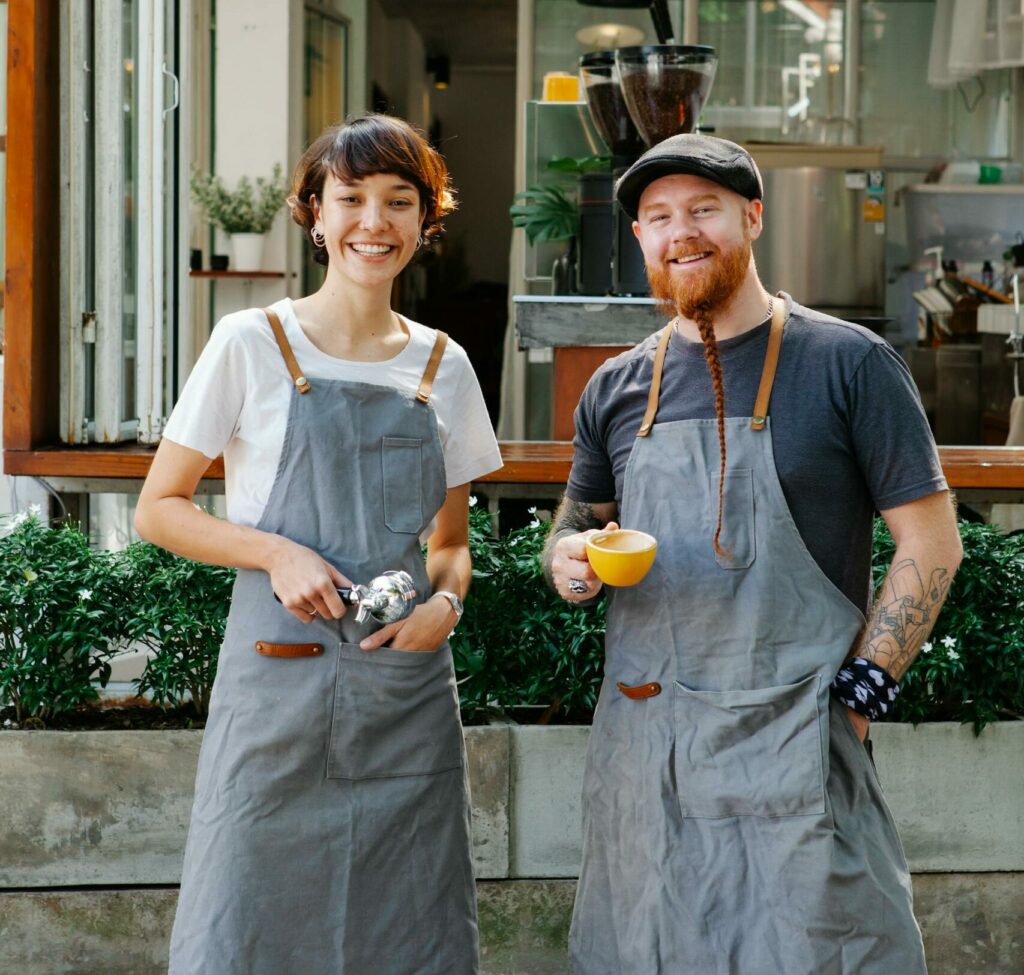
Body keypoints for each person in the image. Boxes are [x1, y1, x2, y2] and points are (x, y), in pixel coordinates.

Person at [542, 134, 963, 975]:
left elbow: (932, 538)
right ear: (641, 240)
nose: (680, 232)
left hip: (795, 749)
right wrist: (569, 559)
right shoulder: (617, 387)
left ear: (753, 217)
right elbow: (571, 525)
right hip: (648, 757)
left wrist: (861, 692)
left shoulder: (849, 362)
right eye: (658, 217)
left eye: (704, 209)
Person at [135, 113, 502, 975]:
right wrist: (273, 552)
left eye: (398, 202)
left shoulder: (444, 366)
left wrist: (445, 605)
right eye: (352, 199)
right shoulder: (250, 343)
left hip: (401, 692)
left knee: (408, 926)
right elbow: (160, 508)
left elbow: (451, 543)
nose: (373, 222)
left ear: (425, 221)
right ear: (314, 213)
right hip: (276, 680)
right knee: (246, 916)